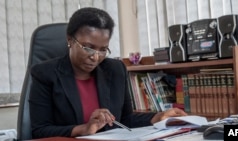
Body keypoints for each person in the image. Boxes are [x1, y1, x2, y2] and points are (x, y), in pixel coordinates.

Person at [29, 7, 187, 139]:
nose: (95, 57)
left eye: (103, 50)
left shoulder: (115, 70)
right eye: (88, 47)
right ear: (70, 40)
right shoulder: (44, 74)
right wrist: (83, 129)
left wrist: (157, 117)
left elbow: (125, 119)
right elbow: (40, 131)